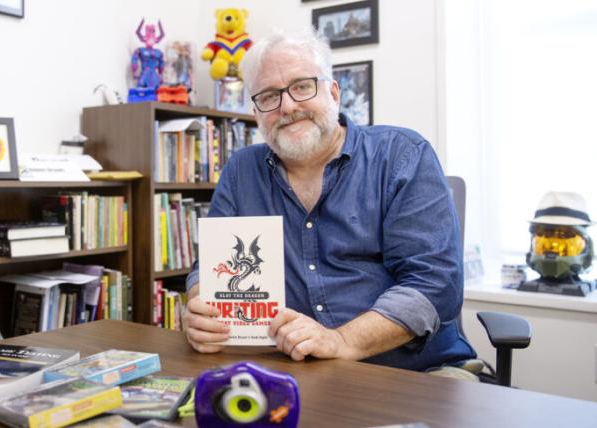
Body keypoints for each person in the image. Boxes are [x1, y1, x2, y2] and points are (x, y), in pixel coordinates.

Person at [181, 29, 477, 372]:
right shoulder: (241, 170)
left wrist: (343, 341)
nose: (288, 106)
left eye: (302, 86)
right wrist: (202, 308)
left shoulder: (402, 155)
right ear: (257, 112)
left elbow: (434, 284)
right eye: (268, 96)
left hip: (411, 371)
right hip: (293, 370)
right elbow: (209, 268)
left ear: (333, 92)